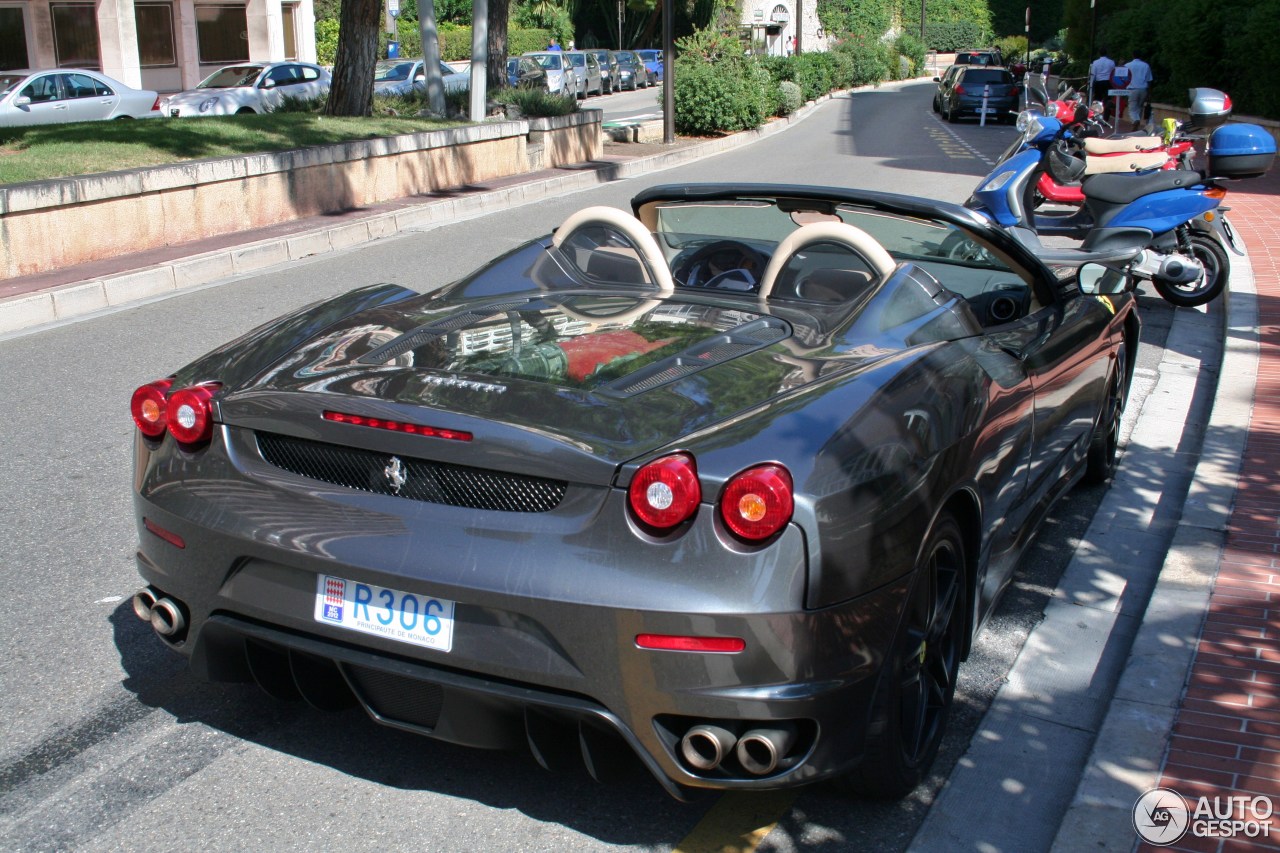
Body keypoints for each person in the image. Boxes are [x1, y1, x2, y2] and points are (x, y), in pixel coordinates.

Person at [1124, 52, 1153, 131]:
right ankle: (1137, 123)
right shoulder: (1145, 65)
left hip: (1132, 89)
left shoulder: (1127, 65)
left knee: (1132, 108)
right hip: (1143, 89)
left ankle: (1135, 121)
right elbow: (1149, 80)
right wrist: (1149, 93)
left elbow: (1123, 79)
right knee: (1139, 107)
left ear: (1132, 56)